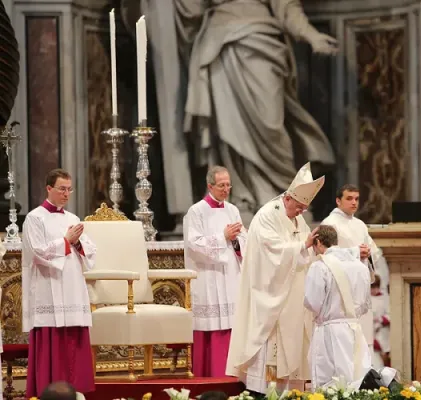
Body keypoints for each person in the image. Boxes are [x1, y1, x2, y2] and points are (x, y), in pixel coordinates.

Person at [124, 0, 337, 217]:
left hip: (260, 40)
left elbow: (286, 5)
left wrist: (311, 35)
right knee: (227, 129)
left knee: (270, 125)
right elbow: (191, 8)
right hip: (218, 42)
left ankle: (282, 194)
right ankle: (238, 197)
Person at [226, 162, 324, 393]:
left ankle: (289, 390)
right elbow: (271, 251)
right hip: (270, 290)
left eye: (304, 208)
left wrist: (312, 249)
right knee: (270, 345)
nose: (301, 212)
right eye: (299, 206)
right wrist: (303, 246)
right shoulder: (267, 216)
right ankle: (263, 390)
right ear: (288, 198)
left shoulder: (297, 218)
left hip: (293, 292)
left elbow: (305, 246)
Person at [22, 169, 96, 397]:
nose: (66, 194)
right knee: (51, 342)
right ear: (49, 189)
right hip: (48, 287)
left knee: (75, 343)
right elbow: (37, 253)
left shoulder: (73, 219)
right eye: (62, 189)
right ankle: (49, 393)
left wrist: (78, 245)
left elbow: (90, 250)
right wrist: (66, 241)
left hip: (72, 287)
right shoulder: (34, 218)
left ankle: (78, 392)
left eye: (69, 189)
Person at [183, 165, 247, 377]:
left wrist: (237, 240)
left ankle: (234, 373)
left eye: (228, 185)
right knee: (211, 323)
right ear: (210, 185)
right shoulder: (196, 211)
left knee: (232, 321)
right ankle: (210, 373)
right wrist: (223, 237)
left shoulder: (232, 210)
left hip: (230, 274)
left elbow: (244, 240)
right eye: (221, 185)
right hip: (208, 275)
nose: (226, 189)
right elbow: (194, 244)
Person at [321, 184, 389, 357]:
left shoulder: (359, 224)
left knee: (363, 337)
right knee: (346, 341)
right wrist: (355, 252)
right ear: (338, 201)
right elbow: (323, 253)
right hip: (341, 287)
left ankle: (364, 378)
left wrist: (368, 254)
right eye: (349, 198)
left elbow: (374, 252)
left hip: (361, 285)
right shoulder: (330, 224)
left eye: (357, 199)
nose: (354, 203)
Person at [304, 225, 371, 389]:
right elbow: (365, 304)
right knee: (355, 381)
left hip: (329, 332)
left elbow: (312, 302)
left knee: (330, 384)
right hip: (355, 329)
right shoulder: (360, 267)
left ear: (318, 242)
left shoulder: (319, 266)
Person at [370, 275, 390, 369]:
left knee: (384, 356)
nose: (373, 290)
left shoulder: (385, 299)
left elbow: (390, 315)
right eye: (371, 288)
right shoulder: (367, 299)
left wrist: (380, 320)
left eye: (375, 287)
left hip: (382, 331)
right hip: (370, 330)